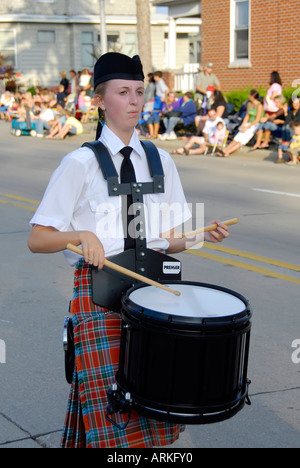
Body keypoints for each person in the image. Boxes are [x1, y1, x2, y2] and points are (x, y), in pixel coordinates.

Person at [27, 52, 229, 449]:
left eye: (140, 91)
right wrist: (80, 236)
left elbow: (165, 239)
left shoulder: (162, 160)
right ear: (101, 100)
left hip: (153, 296)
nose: (135, 100)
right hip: (100, 298)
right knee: (111, 415)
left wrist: (202, 236)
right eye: (123, 92)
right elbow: (38, 238)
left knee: (152, 413)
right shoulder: (79, 163)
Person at [216, 90, 264, 157]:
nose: (248, 96)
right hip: (248, 123)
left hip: (254, 125)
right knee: (236, 138)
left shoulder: (259, 105)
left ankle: (228, 152)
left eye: (249, 95)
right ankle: (224, 150)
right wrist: (243, 125)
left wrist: (247, 127)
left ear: (252, 96)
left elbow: (257, 119)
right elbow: (247, 115)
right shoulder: (249, 104)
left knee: (241, 141)